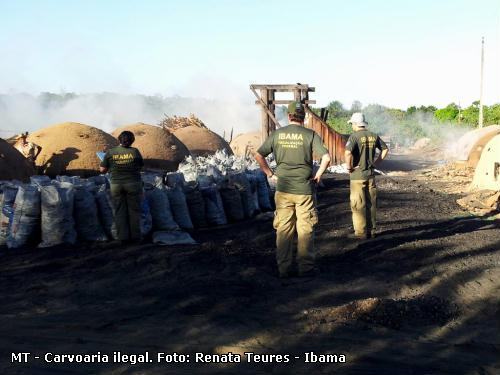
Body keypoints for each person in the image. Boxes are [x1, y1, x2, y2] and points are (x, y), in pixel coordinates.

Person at [255, 101, 331, 278]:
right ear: (303, 116)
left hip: (283, 190)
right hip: (304, 190)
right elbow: (326, 158)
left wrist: (270, 174)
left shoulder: (277, 134)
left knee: (284, 229)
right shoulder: (310, 135)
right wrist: (318, 175)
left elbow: (258, 155)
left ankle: (284, 269)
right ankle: (306, 268)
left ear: (289, 116)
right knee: (305, 229)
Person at [344, 112, 389, 239]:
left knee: (358, 204)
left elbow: (347, 153)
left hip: (357, 176)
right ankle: (372, 231)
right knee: (371, 204)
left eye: (351, 124)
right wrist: (376, 163)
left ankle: (360, 233)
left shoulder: (354, 137)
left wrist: (349, 167)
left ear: (355, 124)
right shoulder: (374, 136)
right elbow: (385, 149)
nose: (351, 126)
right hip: (370, 175)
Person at [100, 131, 144, 243]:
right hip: (133, 184)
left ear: (119, 139)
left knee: (119, 211)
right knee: (134, 211)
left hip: (116, 185)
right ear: (132, 141)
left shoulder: (110, 152)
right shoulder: (135, 151)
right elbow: (140, 167)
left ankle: (123, 238)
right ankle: (136, 238)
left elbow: (102, 170)